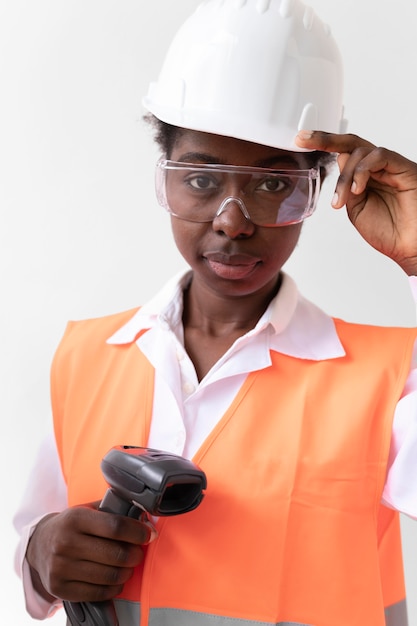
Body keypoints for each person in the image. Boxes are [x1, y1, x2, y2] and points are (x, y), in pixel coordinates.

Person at [13, 0, 417, 625]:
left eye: (274, 184)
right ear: (165, 177)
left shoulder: (391, 380)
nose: (233, 221)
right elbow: (35, 534)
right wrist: (40, 553)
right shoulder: (85, 356)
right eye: (201, 180)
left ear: (322, 188)